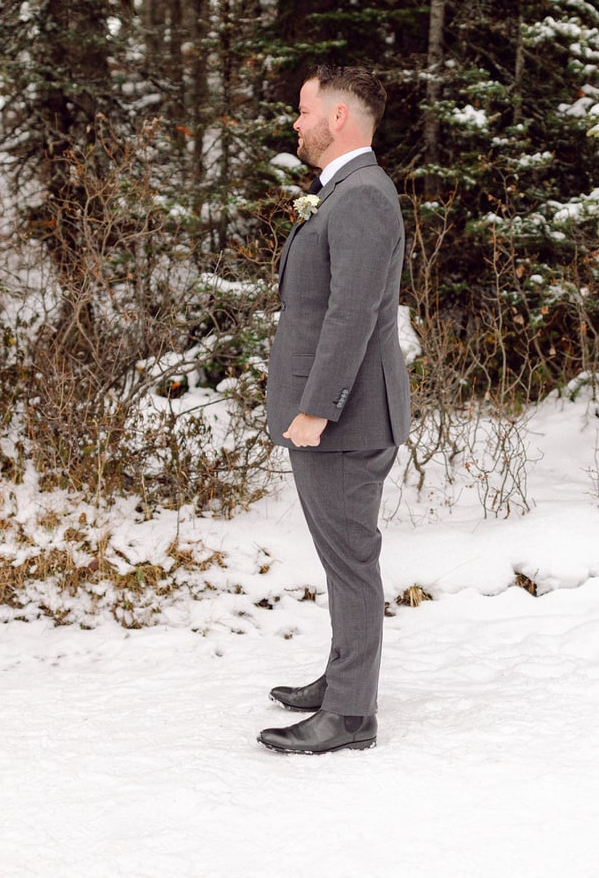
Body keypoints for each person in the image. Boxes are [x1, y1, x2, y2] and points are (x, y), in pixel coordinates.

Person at [258, 66, 410, 753]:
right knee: (340, 556)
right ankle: (342, 679)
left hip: (347, 420)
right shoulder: (345, 192)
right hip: (338, 416)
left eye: (304, 110)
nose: (297, 124)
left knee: (351, 560)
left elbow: (352, 315)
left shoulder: (362, 198)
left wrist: (317, 408)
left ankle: (350, 716)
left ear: (339, 117)